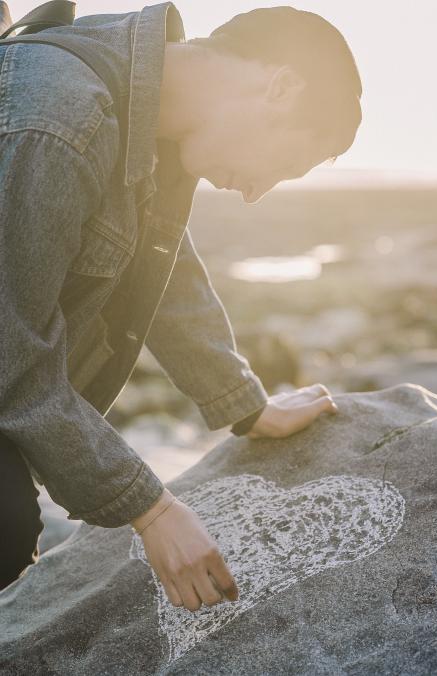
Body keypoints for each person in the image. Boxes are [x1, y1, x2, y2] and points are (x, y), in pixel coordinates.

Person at [0, 2, 362, 610]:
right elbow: (8, 350)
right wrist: (152, 509)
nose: (253, 194)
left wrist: (241, 401)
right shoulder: (60, 122)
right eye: (283, 165)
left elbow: (161, 265)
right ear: (280, 86)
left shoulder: (147, 116)